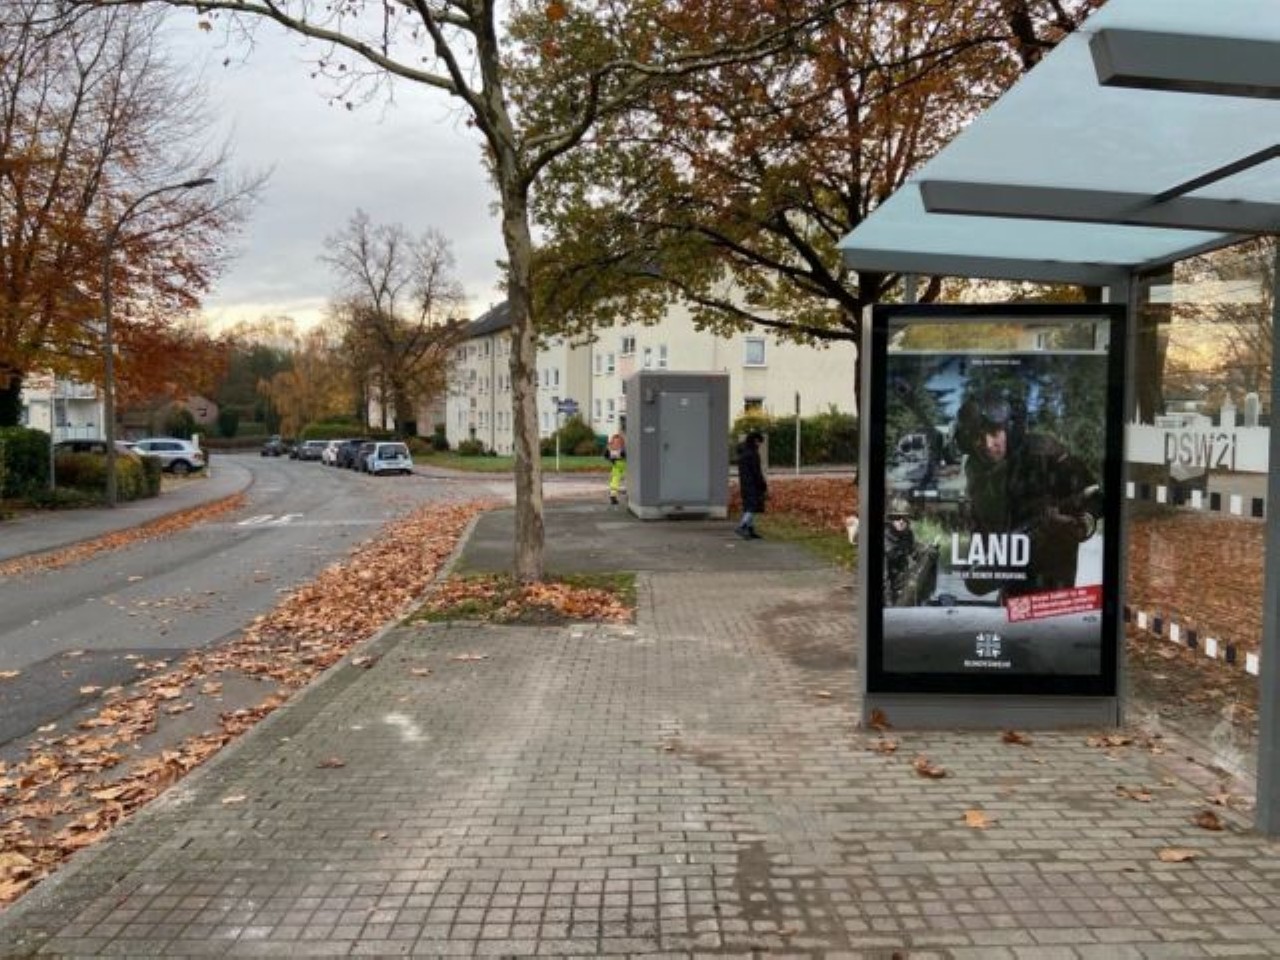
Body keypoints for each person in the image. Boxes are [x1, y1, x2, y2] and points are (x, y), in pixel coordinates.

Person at [955, 388, 1101, 598]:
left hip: (1052, 577)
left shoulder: (1044, 452)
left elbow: (1094, 497)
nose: (987, 445)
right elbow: (980, 527)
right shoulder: (975, 469)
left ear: (1008, 428)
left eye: (994, 433)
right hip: (1012, 575)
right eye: (978, 437)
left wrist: (1080, 523)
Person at [734, 430, 768, 539]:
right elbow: (756, 472)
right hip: (752, 484)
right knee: (752, 506)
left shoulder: (743, 452)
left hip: (744, 483)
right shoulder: (752, 454)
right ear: (755, 441)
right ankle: (742, 526)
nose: (759, 445)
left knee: (748, 506)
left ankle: (750, 529)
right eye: (759, 442)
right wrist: (763, 484)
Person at [883, 498, 916, 605]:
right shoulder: (885, 538)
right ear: (890, 519)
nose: (901, 521)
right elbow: (884, 579)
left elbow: (912, 553)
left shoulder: (908, 535)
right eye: (897, 518)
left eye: (904, 518)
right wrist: (890, 605)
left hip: (899, 582)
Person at [604, 431, 626, 505]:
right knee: (615, 481)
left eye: (618, 443)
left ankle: (628, 492)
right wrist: (608, 450)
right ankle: (613, 495)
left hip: (625, 467)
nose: (616, 445)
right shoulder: (611, 450)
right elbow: (606, 456)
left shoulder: (623, 450)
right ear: (612, 444)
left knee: (627, 479)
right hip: (616, 467)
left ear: (622, 444)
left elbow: (624, 455)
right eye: (615, 443)